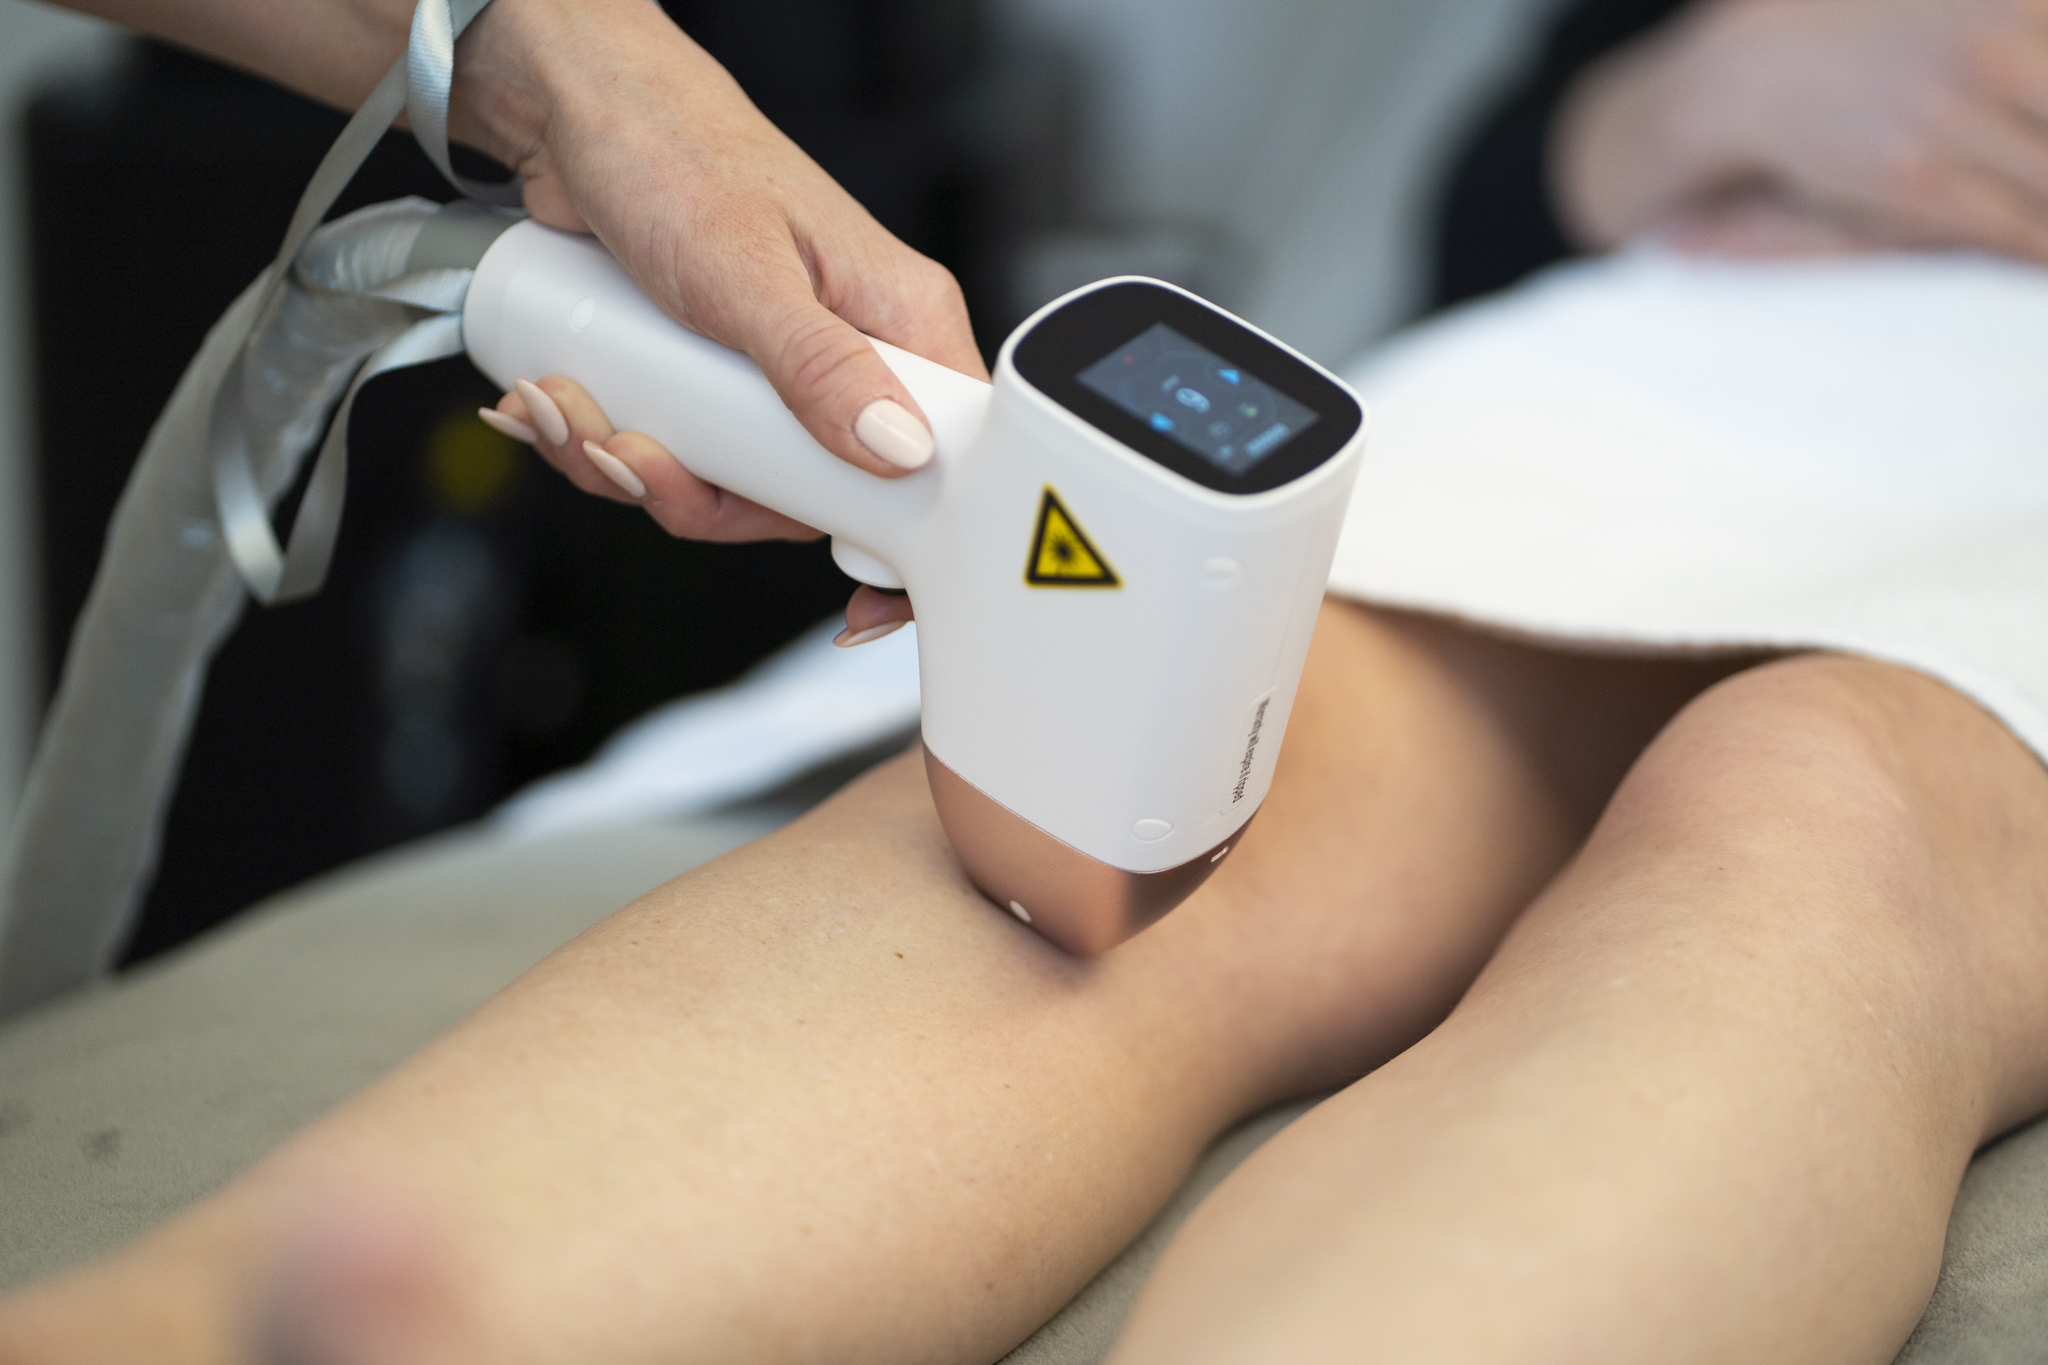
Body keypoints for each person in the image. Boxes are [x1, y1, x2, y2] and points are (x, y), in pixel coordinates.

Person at [2, 2, 2047, 1364]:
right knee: (1111, 821)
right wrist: (1687, 95)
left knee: (1822, 815)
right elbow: (1514, 175)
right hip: (1716, 348)